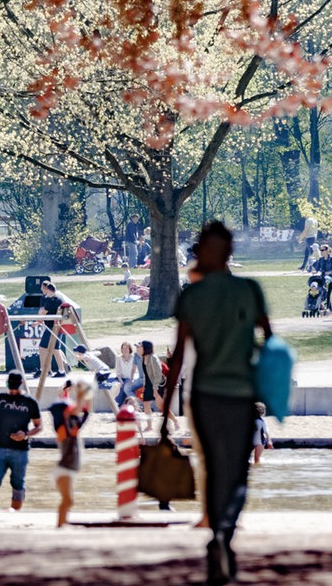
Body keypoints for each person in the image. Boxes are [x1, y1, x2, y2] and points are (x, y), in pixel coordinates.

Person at [164, 221, 272, 585]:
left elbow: (179, 354)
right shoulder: (249, 290)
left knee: (214, 465)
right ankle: (225, 531)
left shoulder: (191, 296)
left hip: (207, 393)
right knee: (236, 469)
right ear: (229, 252)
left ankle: (217, 534)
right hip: (240, 393)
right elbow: (270, 341)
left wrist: (166, 408)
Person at [0, 371, 42, 511]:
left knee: (16, 485)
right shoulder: (0, 399)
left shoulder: (30, 402)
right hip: (1, 448)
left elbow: (39, 426)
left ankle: (12, 517)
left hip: (18, 450)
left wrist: (25, 434)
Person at [48, 379, 91, 527]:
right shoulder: (63, 430)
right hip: (64, 469)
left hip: (69, 469)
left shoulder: (72, 428)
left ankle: (62, 525)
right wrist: (80, 393)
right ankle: (59, 528)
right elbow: (77, 408)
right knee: (68, 501)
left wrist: (87, 394)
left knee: (68, 501)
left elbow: (85, 412)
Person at [141, 340, 178, 432]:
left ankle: (175, 421)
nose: (138, 348)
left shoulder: (153, 358)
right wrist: (145, 385)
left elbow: (158, 374)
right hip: (149, 384)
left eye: (140, 346)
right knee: (146, 405)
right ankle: (149, 426)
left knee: (160, 405)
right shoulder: (143, 358)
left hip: (156, 385)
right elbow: (146, 374)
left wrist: (155, 389)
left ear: (145, 348)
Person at [34, 281, 67, 378]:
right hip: (55, 326)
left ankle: (55, 370)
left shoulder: (53, 300)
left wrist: (38, 319)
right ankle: (52, 370)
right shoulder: (59, 298)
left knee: (49, 348)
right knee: (54, 349)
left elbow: (42, 312)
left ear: (48, 290)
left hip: (53, 327)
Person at [311, 244, 332, 314]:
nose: (321, 251)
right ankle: (319, 307)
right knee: (320, 293)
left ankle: (329, 310)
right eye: (320, 250)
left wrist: (328, 273)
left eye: (322, 250)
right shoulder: (320, 259)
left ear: (327, 251)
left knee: (328, 294)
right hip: (323, 278)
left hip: (330, 279)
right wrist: (314, 271)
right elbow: (317, 269)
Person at [114, 342, 140, 408]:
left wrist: (131, 379)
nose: (125, 350)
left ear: (130, 349)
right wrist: (120, 380)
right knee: (119, 386)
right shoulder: (118, 357)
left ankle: (134, 405)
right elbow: (118, 370)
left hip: (130, 377)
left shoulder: (134, 357)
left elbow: (134, 370)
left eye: (126, 348)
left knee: (126, 386)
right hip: (120, 377)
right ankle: (118, 405)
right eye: (123, 348)